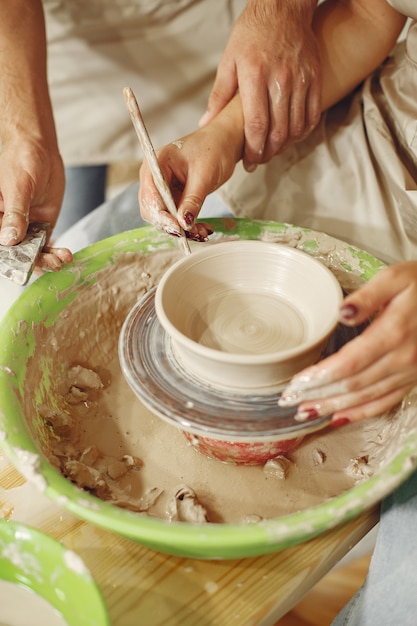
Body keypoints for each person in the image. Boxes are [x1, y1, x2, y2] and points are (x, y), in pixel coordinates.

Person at [0, 0, 323, 269]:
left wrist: (281, 8)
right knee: (73, 247)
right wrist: (27, 135)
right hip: (66, 40)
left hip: (207, 20)